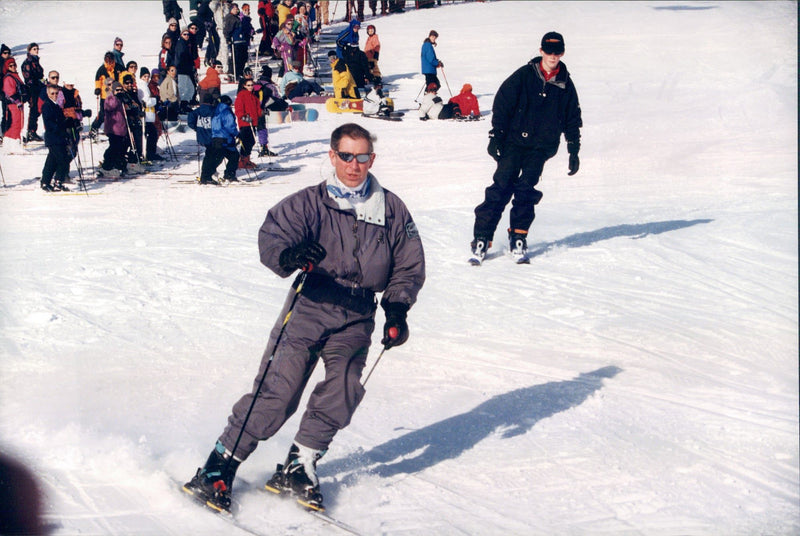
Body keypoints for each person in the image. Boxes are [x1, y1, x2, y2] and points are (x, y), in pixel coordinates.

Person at [182, 122, 426, 513]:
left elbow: (409, 264)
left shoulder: (390, 208)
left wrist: (396, 307)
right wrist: (289, 257)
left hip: (359, 312)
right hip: (311, 303)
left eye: (362, 157)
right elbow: (273, 234)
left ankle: (300, 464)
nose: (354, 165)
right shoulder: (311, 202)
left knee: (344, 388)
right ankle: (219, 466)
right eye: (346, 156)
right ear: (332, 157)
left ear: (372, 159)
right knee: (279, 391)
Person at [470, 31, 582, 264]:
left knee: (526, 190)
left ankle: (518, 236)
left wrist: (574, 148)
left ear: (562, 53)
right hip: (513, 142)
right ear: (541, 51)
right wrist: (496, 136)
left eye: (557, 52)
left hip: (541, 147)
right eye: (549, 51)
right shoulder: (523, 76)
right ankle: (482, 237)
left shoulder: (564, 84)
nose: (553, 56)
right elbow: (503, 104)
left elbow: (572, 117)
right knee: (501, 186)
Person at [40, 84, 71, 191]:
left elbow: (60, 121)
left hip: (58, 138)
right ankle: (58, 181)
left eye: (56, 93)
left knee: (52, 160)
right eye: (52, 93)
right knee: (62, 159)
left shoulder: (56, 106)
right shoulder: (47, 105)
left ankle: (45, 182)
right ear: (48, 94)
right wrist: (60, 129)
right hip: (53, 138)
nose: (54, 95)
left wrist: (68, 122)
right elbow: (49, 123)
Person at [187, 93, 222, 184]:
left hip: (202, 136)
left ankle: (206, 175)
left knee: (209, 155)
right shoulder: (214, 111)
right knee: (214, 156)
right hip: (213, 136)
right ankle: (206, 175)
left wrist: (196, 128)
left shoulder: (197, 111)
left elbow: (190, 120)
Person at [99, 81, 129, 178]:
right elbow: (110, 107)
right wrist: (117, 98)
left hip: (121, 128)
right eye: (117, 90)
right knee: (114, 147)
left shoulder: (120, 99)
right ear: (113, 90)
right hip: (113, 128)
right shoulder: (110, 98)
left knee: (119, 148)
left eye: (121, 90)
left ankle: (117, 164)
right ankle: (107, 165)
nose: (119, 92)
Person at [90, 51, 123, 140]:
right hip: (105, 96)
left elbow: (122, 78)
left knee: (117, 114)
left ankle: (116, 129)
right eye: (106, 59)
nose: (108, 62)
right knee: (103, 114)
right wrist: (97, 89)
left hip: (116, 94)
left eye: (110, 60)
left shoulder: (118, 68)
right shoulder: (101, 70)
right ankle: (94, 128)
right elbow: (98, 81)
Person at [234, 78, 263, 168]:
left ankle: (246, 160)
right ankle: (242, 161)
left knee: (252, 141)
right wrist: (243, 117)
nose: (251, 87)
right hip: (245, 123)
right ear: (244, 86)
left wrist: (262, 112)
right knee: (247, 142)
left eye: (252, 85)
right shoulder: (241, 95)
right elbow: (238, 109)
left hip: (253, 122)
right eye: (248, 85)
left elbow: (257, 109)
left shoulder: (254, 96)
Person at [20, 43, 44, 142]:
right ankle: (31, 131)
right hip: (32, 89)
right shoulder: (28, 62)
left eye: (37, 48)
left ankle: (32, 131)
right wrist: (37, 83)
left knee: (37, 109)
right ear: (29, 50)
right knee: (34, 109)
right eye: (34, 49)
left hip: (38, 88)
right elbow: (28, 78)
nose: (36, 50)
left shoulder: (35, 60)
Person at [2, 57, 26, 153]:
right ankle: (15, 144)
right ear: (7, 67)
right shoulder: (9, 77)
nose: (13, 67)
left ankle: (8, 143)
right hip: (14, 104)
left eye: (14, 65)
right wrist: (17, 101)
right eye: (10, 65)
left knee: (16, 122)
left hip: (17, 103)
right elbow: (9, 92)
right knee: (17, 123)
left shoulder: (15, 75)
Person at [138, 67, 162, 162]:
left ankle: (150, 152)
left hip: (149, 114)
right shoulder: (142, 86)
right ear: (141, 77)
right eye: (144, 76)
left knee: (152, 133)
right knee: (152, 134)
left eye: (148, 76)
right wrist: (155, 100)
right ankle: (149, 153)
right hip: (146, 114)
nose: (147, 78)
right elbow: (146, 101)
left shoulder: (145, 85)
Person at [173, 27, 197, 112]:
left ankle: (185, 104)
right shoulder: (180, 44)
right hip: (182, 70)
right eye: (185, 34)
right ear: (181, 35)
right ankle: (182, 105)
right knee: (184, 88)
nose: (187, 36)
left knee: (190, 88)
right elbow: (180, 58)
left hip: (186, 70)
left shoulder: (186, 44)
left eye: (188, 34)